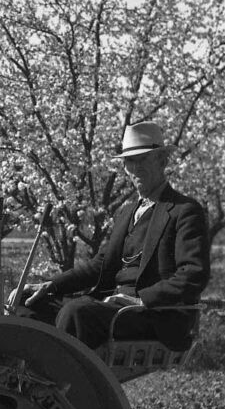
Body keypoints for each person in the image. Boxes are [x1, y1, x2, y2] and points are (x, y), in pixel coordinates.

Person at [12, 122, 210, 350]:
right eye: (129, 161)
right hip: (111, 307)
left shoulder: (183, 210)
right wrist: (51, 285)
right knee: (26, 303)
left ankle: (66, 382)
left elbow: (194, 274)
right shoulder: (126, 212)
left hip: (152, 314)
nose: (135, 168)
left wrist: (141, 299)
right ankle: (28, 377)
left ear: (163, 161)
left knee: (77, 312)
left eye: (143, 159)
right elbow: (99, 265)